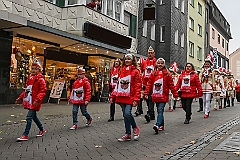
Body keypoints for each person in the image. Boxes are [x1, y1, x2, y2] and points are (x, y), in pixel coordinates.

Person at [110, 53, 141, 141]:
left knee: (127, 113)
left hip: (130, 96)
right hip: (121, 96)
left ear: (132, 60)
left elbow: (138, 86)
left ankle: (135, 128)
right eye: (126, 59)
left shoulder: (136, 71)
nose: (127, 60)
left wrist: (136, 98)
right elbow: (118, 84)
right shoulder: (121, 70)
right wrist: (113, 96)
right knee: (125, 115)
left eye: (129, 59)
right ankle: (127, 133)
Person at [15, 58, 47, 141]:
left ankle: (25, 134)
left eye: (35, 69)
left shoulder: (41, 79)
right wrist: (20, 97)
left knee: (29, 117)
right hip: (30, 100)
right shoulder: (30, 78)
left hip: (34, 101)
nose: (33, 70)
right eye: (32, 68)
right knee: (34, 117)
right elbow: (26, 90)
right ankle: (42, 129)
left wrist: (37, 100)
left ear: (39, 70)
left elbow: (42, 91)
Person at [144, 58, 178, 134]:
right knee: (159, 110)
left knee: (160, 110)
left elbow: (171, 85)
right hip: (156, 95)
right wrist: (146, 93)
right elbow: (149, 84)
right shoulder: (153, 73)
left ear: (164, 64)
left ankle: (157, 125)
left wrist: (175, 94)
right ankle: (162, 125)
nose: (160, 65)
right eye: (158, 63)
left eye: (162, 63)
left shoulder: (167, 74)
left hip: (163, 95)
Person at [140, 46, 157, 122]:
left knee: (150, 99)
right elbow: (142, 72)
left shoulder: (156, 62)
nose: (150, 54)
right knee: (146, 99)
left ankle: (149, 113)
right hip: (145, 83)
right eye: (149, 53)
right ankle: (152, 113)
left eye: (151, 53)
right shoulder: (144, 62)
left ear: (154, 54)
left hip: (153, 84)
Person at [199, 54, 215, 118]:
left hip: (209, 85)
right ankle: (207, 109)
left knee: (208, 99)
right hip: (203, 85)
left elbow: (213, 79)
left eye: (208, 64)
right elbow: (200, 77)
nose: (207, 65)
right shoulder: (202, 71)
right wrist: (202, 77)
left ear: (210, 64)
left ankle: (206, 112)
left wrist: (214, 87)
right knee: (204, 100)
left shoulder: (212, 71)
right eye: (206, 64)